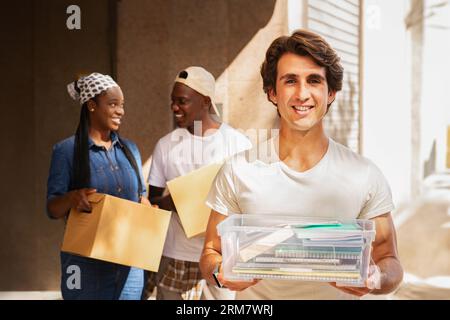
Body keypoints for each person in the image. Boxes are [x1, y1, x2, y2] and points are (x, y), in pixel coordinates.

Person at [200, 30, 404, 299]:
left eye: (314, 80)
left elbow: (389, 259)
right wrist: (220, 275)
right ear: (272, 92)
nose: (302, 93)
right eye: (290, 81)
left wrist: (377, 278)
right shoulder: (238, 170)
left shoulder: (364, 175)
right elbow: (211, 252)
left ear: (330, 92)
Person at [148, 66, 252, 300]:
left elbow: (251, 204)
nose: (175, 107)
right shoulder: (165, 145)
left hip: (221, 257)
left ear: (205, 101)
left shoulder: (238, 144)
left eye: (182, 101)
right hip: (176, 255)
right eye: (173, 101)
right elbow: (151, 203)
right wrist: (169, 202)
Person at [46, 72, 150, 300]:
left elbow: (142, 196)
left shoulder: (130, 149)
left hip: (129, 265)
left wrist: (145, 204)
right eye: (113, 104)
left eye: (122, 105)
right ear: (91, 105)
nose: (120, 111)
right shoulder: (66, 151)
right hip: (85, 267)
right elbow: (52, 208)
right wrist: (73, 197)